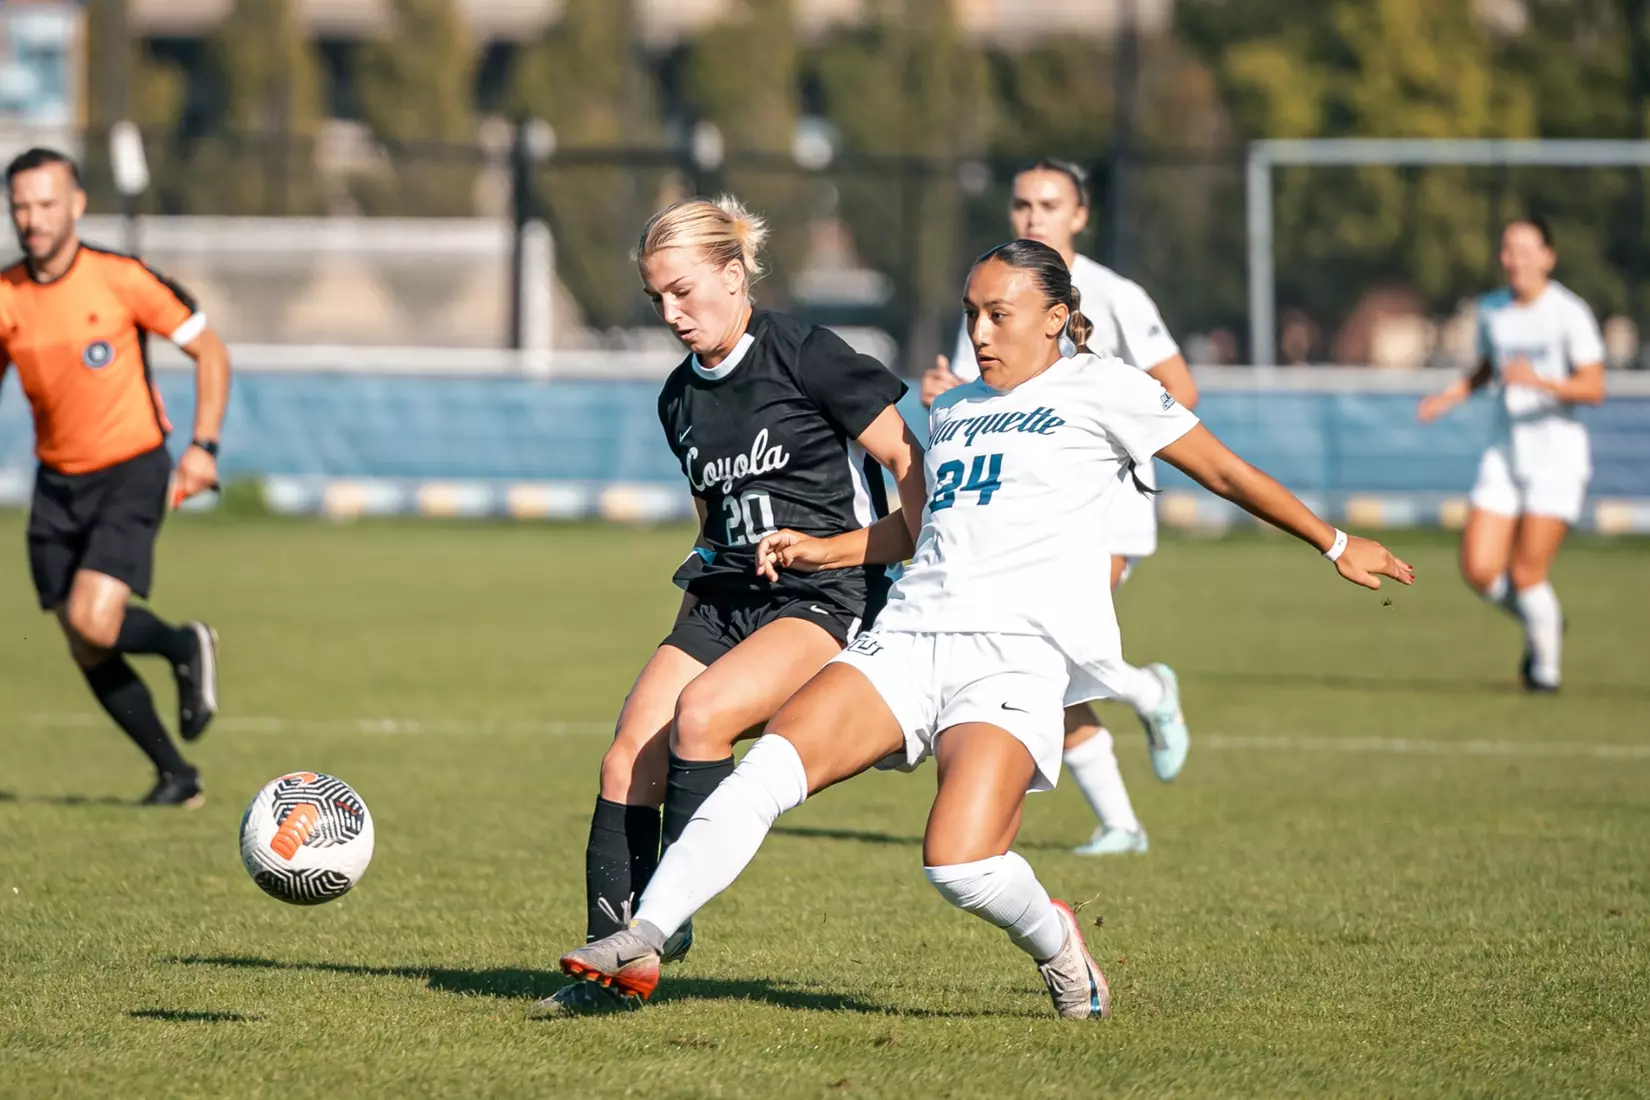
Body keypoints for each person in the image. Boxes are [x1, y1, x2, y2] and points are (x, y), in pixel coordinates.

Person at [554, 239, 1414, 1020]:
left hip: (1013, 657)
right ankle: (648, 934)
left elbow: (1223, 470)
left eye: (999, 313)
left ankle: (1059, 945)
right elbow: (912, 533)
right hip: (908, 637)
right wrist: (828, 550)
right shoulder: (957, 407)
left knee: (958, 865)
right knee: (766, 771)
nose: (981, 331)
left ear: (1056, 318)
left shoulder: (1106, 389)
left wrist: (1334, 542)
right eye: (972, 313)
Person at [537, 196, 926, 1016]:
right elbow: (714, 514)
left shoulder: (805, 354)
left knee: (703, 716)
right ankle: (615, 977)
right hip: (723, 597)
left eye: (683, 291)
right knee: (623, 760)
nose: (672, 314)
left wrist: (894, 553)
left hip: (823, 595)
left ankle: (664, 916)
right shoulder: (679, 398)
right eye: (657, 300)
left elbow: (905, 456)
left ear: (731, 271)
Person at [924, 158, 1199, 857]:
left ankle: (1145, 696)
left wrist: (1101, 427)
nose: (1032, 216)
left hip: (1101, 511)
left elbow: (1179, 391)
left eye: (1049, 204)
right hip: (1015, 513)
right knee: (1046, 664)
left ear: (1079, 215)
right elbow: (986, 392)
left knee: (1050, 646)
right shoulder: (994, 290)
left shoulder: (1116, 295)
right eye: (1022, 204)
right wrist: (945, 392)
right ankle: (1121, 819)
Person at [0, 147, 228, 807]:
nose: (32, 218)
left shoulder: (121, 278)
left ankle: (185, 643)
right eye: (21, 205)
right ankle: (176, 775)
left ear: (76, 204)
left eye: (46, 204)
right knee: (84, 642)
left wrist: (203, 446)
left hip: (131, 468)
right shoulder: (8, 296)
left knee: (94, 619)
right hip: (56, 483)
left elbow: (209, 349)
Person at [1418, 216, 1605, 692]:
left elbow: (1594, 386)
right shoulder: (1493, 310)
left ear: (1548, 256)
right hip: (1505, 453)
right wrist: (1451, 396)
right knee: (1479, 569)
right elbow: (1487, 369)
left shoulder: (1569, 313)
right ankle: (1543, 619)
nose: (1515, 260)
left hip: (1556, 458)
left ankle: (1545, 672)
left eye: (1525, 250)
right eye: (1507, 250)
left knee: (1526, 573)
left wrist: (1539, 381)